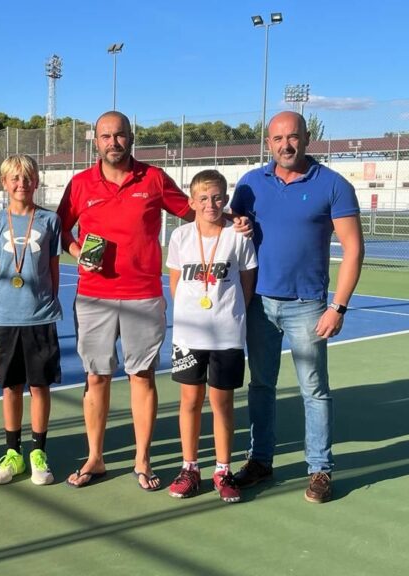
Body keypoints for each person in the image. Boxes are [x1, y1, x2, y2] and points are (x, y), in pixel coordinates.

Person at [57, 111, 251, 490]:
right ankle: (95, 458)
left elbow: (194, 208)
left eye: (120, 135)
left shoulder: (154, 178)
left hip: (143, 296)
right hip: (94, 297)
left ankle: (141, 460)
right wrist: (78, 250)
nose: (113, 142)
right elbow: (62, 228)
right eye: (106, 136)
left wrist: (233, 219)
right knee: (96, 377)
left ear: (132, 138)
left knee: (141, 376)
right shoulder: (80, 184)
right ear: (96, 141)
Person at [230, 111, 364, 503]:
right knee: (260, 386)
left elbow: (353, 249)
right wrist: (234, 224)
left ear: (307, 139)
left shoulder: (333, 186)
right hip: (258, 305)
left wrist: (337, 307)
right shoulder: (251, 183)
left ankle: (320, 468)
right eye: (277, 138)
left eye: (293, 137)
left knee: (314, 391)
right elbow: (232, 226)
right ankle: (260, 460)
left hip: (308, 306)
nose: (285, 145)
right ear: (267, 142)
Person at [166, 170, 257, 503]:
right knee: (189, 402)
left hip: (227, 334)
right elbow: (176, 284)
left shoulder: (238, 235)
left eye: (218, 197)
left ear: (226, 200)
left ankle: (222, 469)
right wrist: (194, 314)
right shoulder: (180, 237)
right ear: (191, 202)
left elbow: (247, 284)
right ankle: (190, 468)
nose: (211, 204)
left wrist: (228, 314)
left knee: (222, 404)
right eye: (203, 198)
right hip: (189, 334)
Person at [0, 155, 62, 486]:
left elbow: (53, 271)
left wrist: (44, 303)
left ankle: (38, 453)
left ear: (36, 181)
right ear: (4, 182)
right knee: (11, 387)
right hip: (5, 317)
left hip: (40, 316)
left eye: (27, 178)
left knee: (39, 386)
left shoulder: (49, 221)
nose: (21, 183)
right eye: (14, 178)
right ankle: (12, 453)